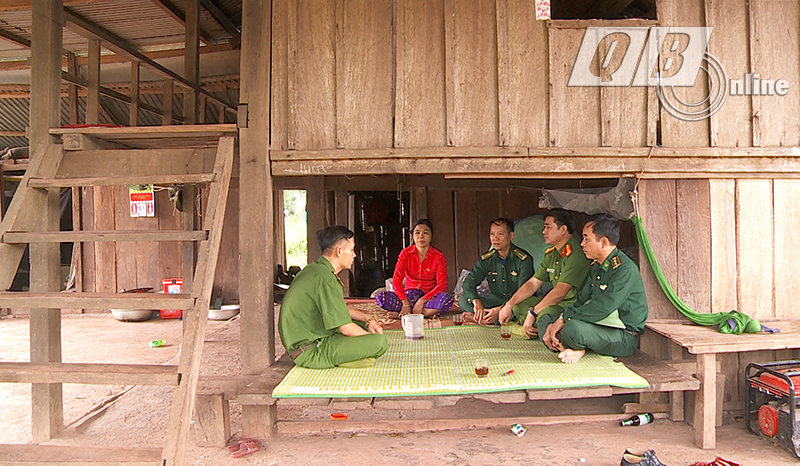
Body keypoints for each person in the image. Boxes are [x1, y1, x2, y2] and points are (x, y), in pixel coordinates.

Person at [534, 214, 648, 364]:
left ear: (603, 242)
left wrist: (564, 319)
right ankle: (567, 346)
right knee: (546, 319)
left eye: (587, 239)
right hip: (598, 326)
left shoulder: (623, 269)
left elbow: (602, 308)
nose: (582, 244)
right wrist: (560, 319)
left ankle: (575, 347)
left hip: (622, 336)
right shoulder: (597, 266)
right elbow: (581, 299)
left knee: (572, 329)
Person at [278, 225, 388, 369]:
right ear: (339, 251)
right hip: (311, 350)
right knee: (379, 343)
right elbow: (346, 329)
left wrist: (369, 319)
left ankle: (352, 357)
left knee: (362, 326)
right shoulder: (327, 279)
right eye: (352, 249)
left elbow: (340, 307)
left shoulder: (316, 270)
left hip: (305, 343)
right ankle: (345, 359)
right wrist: (370, 339)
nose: (354, 255)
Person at [497, 210, 591, 339]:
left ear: (563, 229)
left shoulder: (576, 254)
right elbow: (533, 283)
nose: (543, 232)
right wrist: (509, 305)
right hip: (555, 303)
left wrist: (533, 312)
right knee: (518, 304)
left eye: (548, 227)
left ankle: (527, 329)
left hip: (570, 306)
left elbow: (559, 293)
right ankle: (532, 328)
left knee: (543, 314)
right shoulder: (552, 254)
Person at [458, 218, 535, 325]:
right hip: (495, 300)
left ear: (511, 236)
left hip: (515, 301)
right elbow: (469, 282)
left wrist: (502, 308)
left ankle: (485, 318)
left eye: (500, 234)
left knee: (523, 306)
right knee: (464, 300)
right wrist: (477, 303)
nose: (495, 238)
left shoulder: (523, 260)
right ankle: (491, 317)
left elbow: (523, 291)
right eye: (492, 234)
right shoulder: (487, 259)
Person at [376, 219, 453, 317]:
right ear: (413, 236)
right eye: (417, 233)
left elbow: (442, 285)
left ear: (431, 236)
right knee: (381, 297)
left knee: (447, 299)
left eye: (425, 233)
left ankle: (407, 314)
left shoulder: (438, 256)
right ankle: (424, 313)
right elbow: (396, 280)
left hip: (428, 298)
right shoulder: (405, 253)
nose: (421, 236)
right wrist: (405, 303)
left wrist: (422, 300)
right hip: (409, 296)